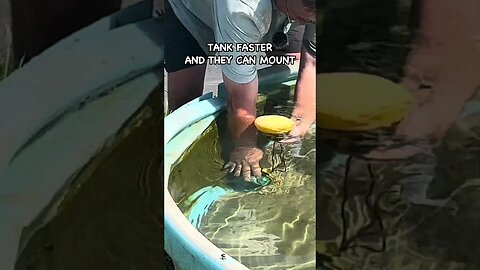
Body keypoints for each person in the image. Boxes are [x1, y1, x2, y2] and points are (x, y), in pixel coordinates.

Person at [164, 0, 316, 181]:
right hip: (193, 11)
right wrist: (245, 146)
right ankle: (180, 177)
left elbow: (312, 63)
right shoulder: (242, 7)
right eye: (310, 12)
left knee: (288, 65)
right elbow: (239, 100)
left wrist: (303, 117)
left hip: (285, 10)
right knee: (185, 99)